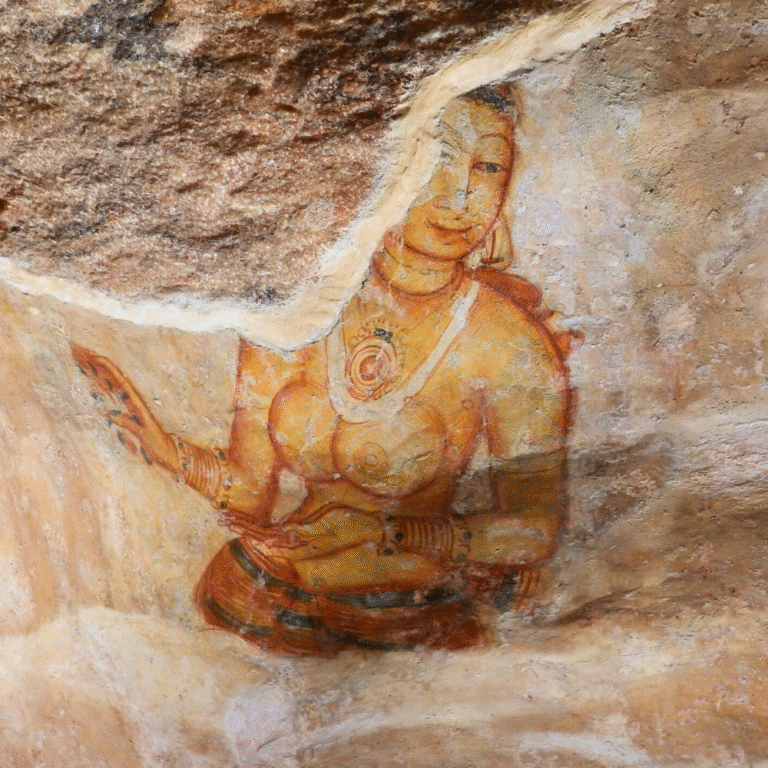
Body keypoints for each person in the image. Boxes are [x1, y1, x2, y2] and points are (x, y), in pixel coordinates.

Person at [72, 84, 574, 656]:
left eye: (487, 167)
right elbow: (251, 492)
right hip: (248, 593)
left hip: (404, 621)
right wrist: (168, 452)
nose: (460, 196)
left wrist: (389, 535)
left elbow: (532, 530)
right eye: (436, 161)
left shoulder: (507, 342)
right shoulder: (299, 307)